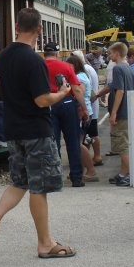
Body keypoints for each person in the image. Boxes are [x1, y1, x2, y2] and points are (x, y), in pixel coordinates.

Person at [0, 7, 76, 259]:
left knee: (19, 182)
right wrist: (63, 93)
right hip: (36, 130)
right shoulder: (34, 60)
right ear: (40, 30)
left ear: (17, 27)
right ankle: (45, 244)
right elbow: (42, 100)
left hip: (13, 130)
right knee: (38, 187)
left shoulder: (5, 56)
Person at [43, 41, 90, 186]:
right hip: (68, 104)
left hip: (49, 104)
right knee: (73, 141)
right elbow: (76, 90)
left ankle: (54, 178)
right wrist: (84, 108)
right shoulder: (66, 67)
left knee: (53, 143)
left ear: (45, 53)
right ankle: (76, 177)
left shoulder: (40, 67)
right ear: (57, 53)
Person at [102, 42, 134, 186]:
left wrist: (114, 112)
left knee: (122, 145)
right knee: (125, 143)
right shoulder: (128, 67)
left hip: (121, 112)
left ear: (116, 53)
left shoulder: (117, 68)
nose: (109, 56)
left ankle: (129, 174)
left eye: (110, 53)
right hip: (128, 110)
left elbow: (120, 91)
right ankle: (123, 173)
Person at [66, 53, 99, 182]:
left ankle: (91, 171)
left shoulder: (80, 77)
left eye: (69, 66)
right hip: (84, 112)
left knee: (77, 144)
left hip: (82, 113)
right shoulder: (82, 75)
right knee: (79, 143)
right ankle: (80, 170)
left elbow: (80, 93)